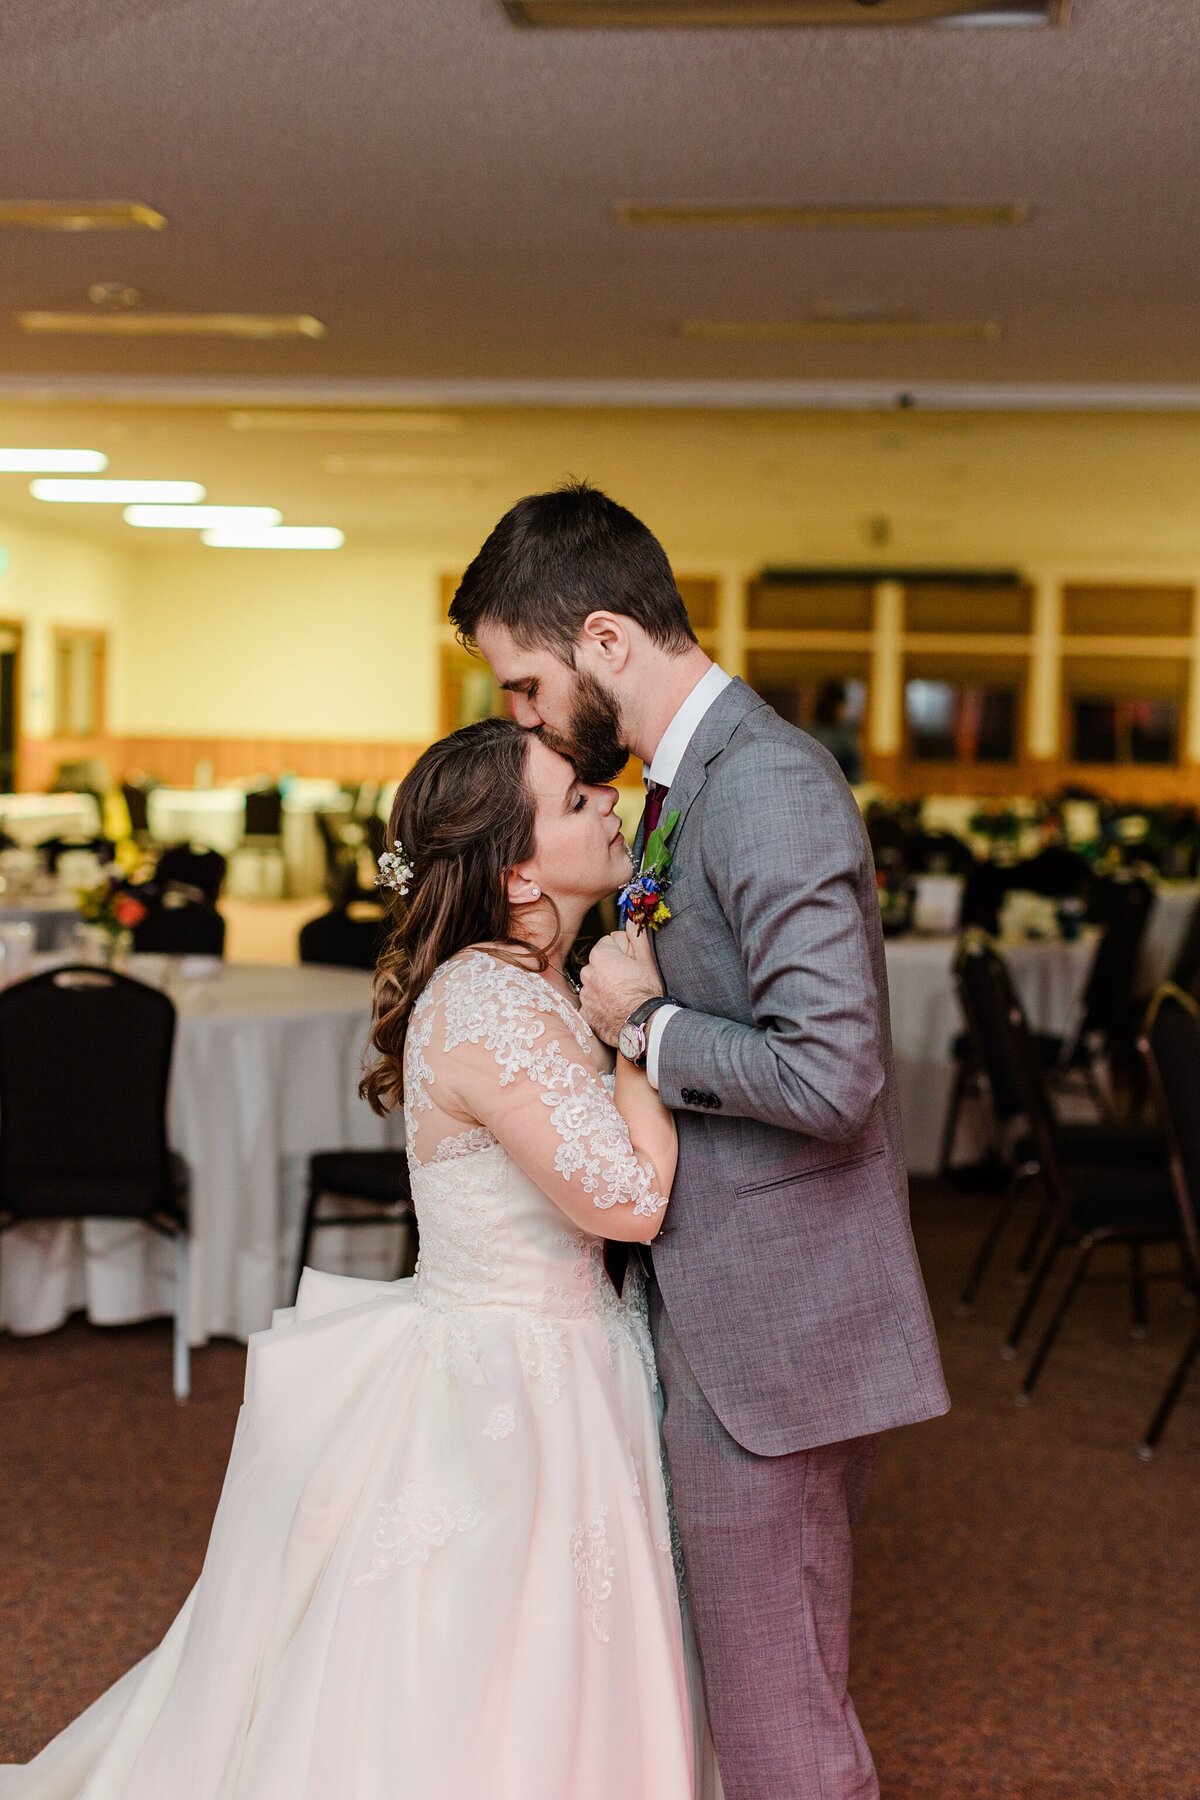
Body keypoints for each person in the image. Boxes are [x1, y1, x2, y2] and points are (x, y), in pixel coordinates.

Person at [0, 719, 715, 1800]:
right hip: (510, 1381)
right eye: (579, 801)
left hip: (564, 1355)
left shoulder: (533, 982)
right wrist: (639, 1027)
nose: (611, 804)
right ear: (516, 867)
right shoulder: (489, 1001)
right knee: (469, 1667)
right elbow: (632, 1202)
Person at [452, 480, 950, 1800]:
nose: (522, 723)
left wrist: (648, 1022)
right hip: (723, 1317)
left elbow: (834, 1070)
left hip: (774, 1341)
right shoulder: (687, 785)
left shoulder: (768, 782)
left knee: (785, 1730)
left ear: (606, 643)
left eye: (523, 687)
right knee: (740, 1707)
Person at [808, 680, 864, 785]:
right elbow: (856, 773)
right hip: (841, 786)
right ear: (838, 706)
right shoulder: (843, 735)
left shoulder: (808, 731)